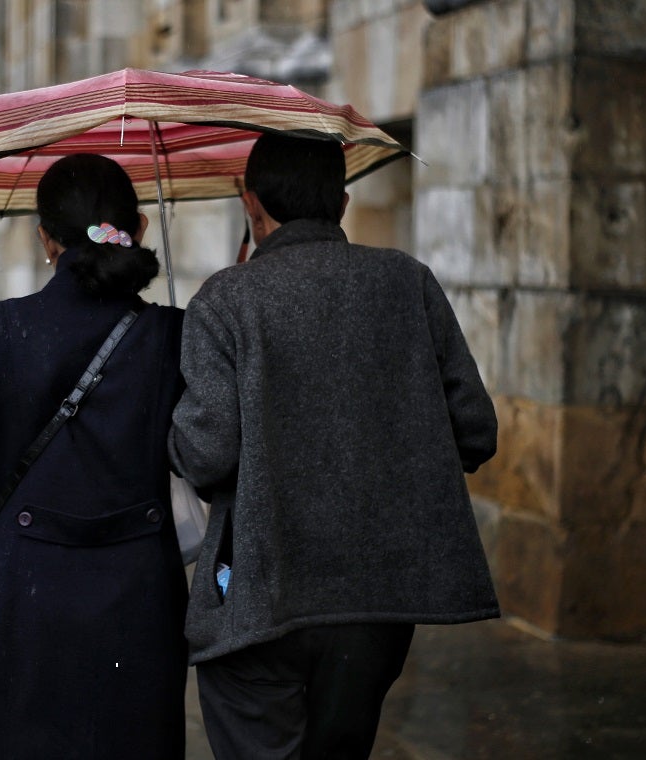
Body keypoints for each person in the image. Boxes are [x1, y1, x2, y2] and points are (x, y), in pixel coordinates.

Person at [168, 133, 500, 760]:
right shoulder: (407, 281)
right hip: (377, 602)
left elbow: (207, 453)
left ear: (251, 201)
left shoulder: (226, 298)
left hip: (259, 598)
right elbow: (474, 431)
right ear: (342, 204)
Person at [0, 153, 188, 759]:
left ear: (45, 238)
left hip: (24, 593)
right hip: (140, 598)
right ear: (140, 230)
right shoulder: (172, 336)